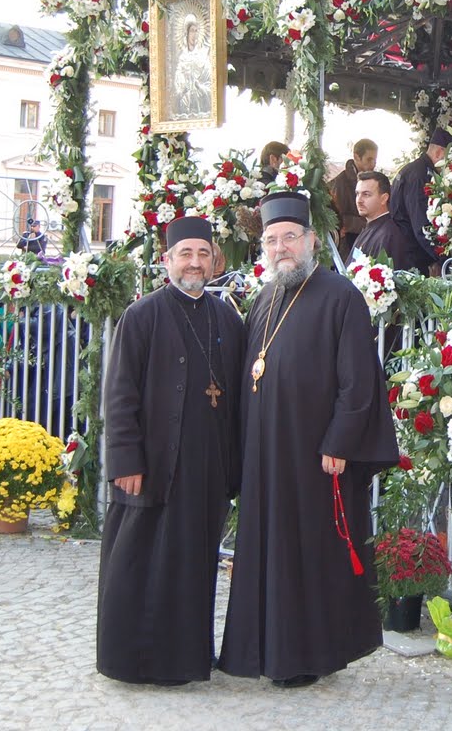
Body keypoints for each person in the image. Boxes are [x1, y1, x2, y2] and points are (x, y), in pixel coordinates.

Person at [218, 191, 399, 688]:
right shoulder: (264, 298)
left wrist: (339, 442)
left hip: (314, 456)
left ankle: (303, 656)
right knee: (263, 551)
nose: (281, 248)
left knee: (306, 554)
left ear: (312, 241)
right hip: (265, 457)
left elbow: (359, 382)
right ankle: (257, 648)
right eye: (272, 240)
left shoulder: (341, 297)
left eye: (290, 238)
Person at [97, 217, 244, 686]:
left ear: (214, 260)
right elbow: (119, 395)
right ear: (167, 261)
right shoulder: (142, 316)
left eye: (203, 254)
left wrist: (236, 468)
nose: (195, 263)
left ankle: (186, 660)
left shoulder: (226, 317)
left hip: (207, 467)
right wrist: (125, 461)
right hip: (155, 463)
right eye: (186, 254)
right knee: (142, 562)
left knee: (192, 563)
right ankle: (135, 663)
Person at [389, 128, 452, 275]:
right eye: (449, 158)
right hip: (412, 256)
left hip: (410, 250)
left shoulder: (415, 170)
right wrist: (442, 259)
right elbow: (421, 224)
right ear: (438, 153)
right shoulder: (420, 176)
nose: (449, 165)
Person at [350, 171, 412, 271]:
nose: (359, 200)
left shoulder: (388, 236)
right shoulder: (370, 227)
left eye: (366, 194)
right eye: (357, 194)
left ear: (384, 198)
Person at [329, 139, 378, 262]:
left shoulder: (372, 179)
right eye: (369, 159)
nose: (373, 164)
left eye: (375, 160)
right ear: (356, 156)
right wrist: (368, 223)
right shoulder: (341, 182)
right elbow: (338, 217)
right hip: (349, 242)